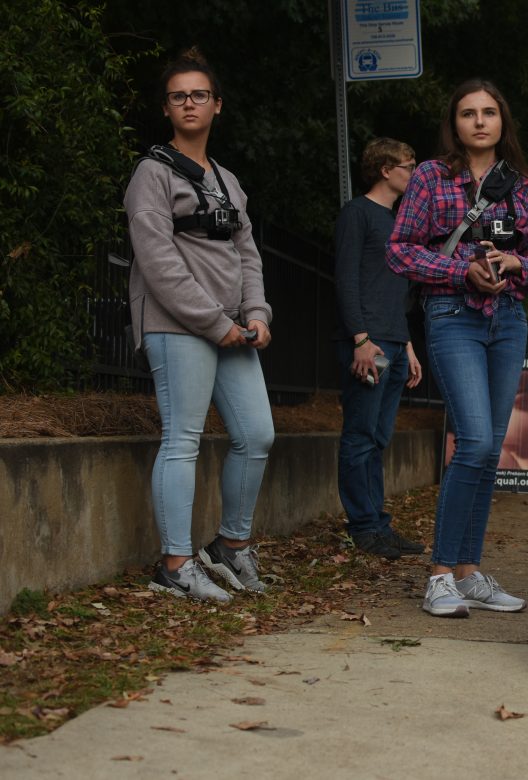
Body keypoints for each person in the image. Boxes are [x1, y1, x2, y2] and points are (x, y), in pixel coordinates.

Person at [388, 78, 528, 617]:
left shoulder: (526, 189)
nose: (479, 121)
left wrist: (514, 265)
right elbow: (401, 250)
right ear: (454, 124)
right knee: (477, 442)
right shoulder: (431, 179)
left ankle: (469, 572)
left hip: (507, 320)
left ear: (502, 120)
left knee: (489, 451)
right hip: (452, 316)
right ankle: (439, 575)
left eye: (489, 112)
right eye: (468, 113)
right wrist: (464, 270)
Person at [125, 47, 274, 603]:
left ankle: (230, 547)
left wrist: (256, 314)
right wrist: (216, 323)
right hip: (178, 325)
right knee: (183, 439)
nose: (190, 103)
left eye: (199, 94)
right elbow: (159, 263)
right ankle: (174, 565)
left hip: (234, 328)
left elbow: (249, 254)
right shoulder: (151, 174)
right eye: (178, 96)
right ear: (167, 108)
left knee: (257, 434)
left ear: (217, 105)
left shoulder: (228, 181)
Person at [334, 137, 425, 560]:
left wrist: (407, 347)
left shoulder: (398, 223)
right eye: (408, 166)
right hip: (368, 345)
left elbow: (397, 294)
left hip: (392, 341)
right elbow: (346, 280)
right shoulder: (357, 214)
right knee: (359, 436)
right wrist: (361, 340)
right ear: (386, 170)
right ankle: (364, 527)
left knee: (378, 438)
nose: (414, 172)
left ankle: (377, 524)